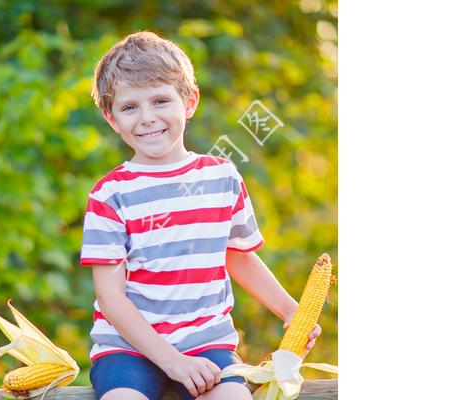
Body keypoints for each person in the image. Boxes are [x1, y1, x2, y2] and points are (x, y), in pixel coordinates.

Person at [80, 31, 321, 400]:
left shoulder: (221, 178)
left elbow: (237, 254)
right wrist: (173, 362)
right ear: (111, 118)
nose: (147, 118)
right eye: (130, 107)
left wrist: (291, 310)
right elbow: (111, 298)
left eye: (161, 101)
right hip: (129, 348)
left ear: (189, 102)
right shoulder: (110, 194)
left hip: (206, 344)